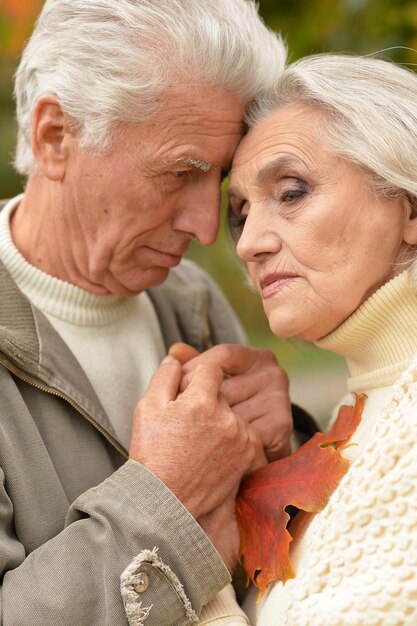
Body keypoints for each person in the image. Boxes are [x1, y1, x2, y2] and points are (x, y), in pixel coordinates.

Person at [0, 1, 294, 624]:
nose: (209, 230)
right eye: (179, 172)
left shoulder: (191, 302)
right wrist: (164, 500)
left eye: (215, 179)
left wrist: (283, 453)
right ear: (56, 137)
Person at [194, 51, 417, 624]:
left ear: (410, 207)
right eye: (242, 212)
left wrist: (192, 552)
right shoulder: (366, 408)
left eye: (291, 192)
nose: (248, 244)